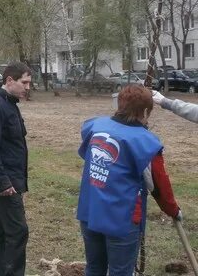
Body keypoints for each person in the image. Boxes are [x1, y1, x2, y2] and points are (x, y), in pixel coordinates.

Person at [77, 84, 181, 275]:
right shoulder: (145, 142)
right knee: (120, 272)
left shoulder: (96, 126)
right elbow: (159, 184)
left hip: (90, 211)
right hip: (121, 219)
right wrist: (173, 210)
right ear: (145, 111)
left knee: (94, 268)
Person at [0, 61, 32, 276]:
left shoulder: (9, 104)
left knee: (3, 231)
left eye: (29, 83)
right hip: (5, 181)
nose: (28, 87)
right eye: (24, 82)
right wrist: (3, 182)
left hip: (14, 178)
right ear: (10, 80)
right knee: (18, 231)